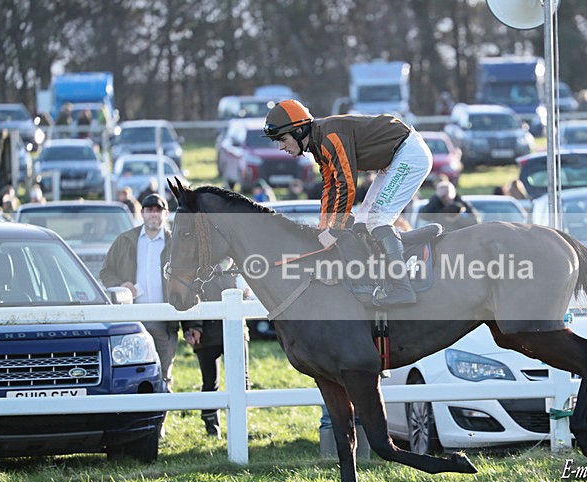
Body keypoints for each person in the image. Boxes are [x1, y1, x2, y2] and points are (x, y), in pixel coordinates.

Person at [263, 99, 433, 306]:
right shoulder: (318, 145)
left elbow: (347, 184)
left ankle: (402, 288)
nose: (281, 147)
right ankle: (380, 277)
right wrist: (323, 229)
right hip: (392, 160)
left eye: (282, 139)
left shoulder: (329, 138)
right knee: (361, 223)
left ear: (298, 131)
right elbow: (330, 188)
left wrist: (334, 230)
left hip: (408, 154)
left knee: (377, 221)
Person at [100, 194, 179, 394]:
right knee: (134, 377)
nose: (154, 214)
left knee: (164, 375)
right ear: (142, 213)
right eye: (149, 210)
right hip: (133, 320)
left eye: (158, 210)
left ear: (166, 214)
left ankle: (162, 422)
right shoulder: (125, 240)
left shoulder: (176, 244)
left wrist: (193, 325)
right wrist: (121, 285)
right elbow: (106, 272)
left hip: (165, 319)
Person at [182, 258, 250, 438]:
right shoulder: (200, 262)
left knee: (242, 380)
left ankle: (240, 426)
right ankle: (212, 427)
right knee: (210, 381)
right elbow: (190, 293)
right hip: (207, 331)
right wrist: (193, 326)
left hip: (236, 329)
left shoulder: (238, 262)